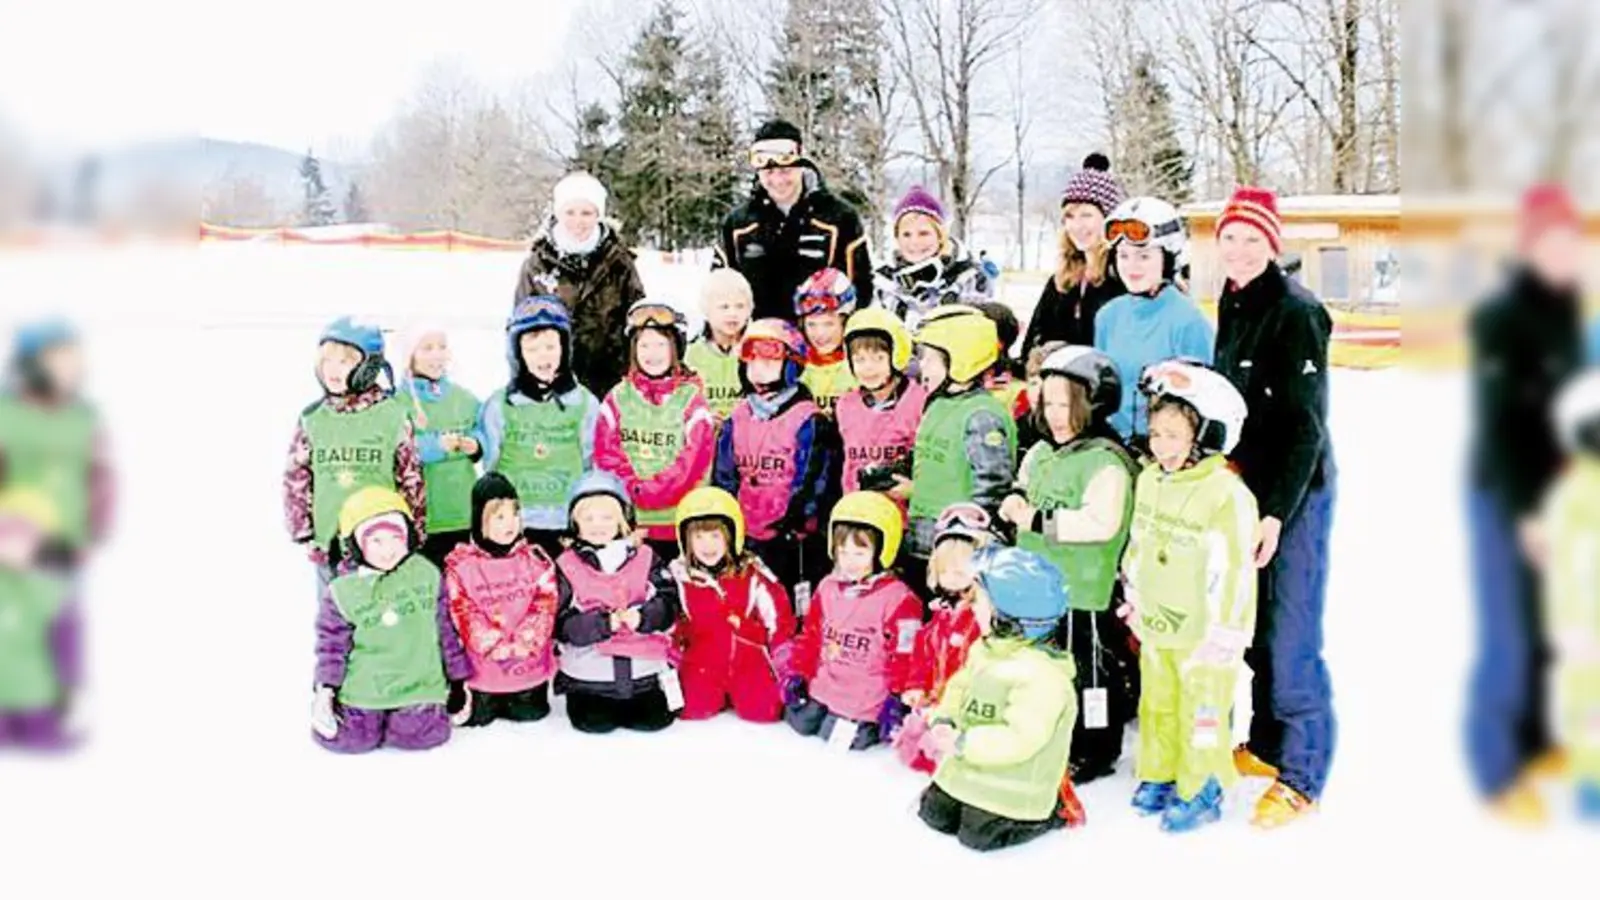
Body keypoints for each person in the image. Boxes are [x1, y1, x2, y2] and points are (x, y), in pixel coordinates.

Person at [1210, 186, 1338, 828]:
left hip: (1297, 492)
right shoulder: (1232, 299)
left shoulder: (1297, 311)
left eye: (1251, 240)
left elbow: (1305, 429)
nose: (1237, 249)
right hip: (1246, 486)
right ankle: (1266, 743)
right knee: (1254, 623)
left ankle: (1304, 772)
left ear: (1272, 245)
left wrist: (1274, 515)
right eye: (1229, 238)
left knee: (1291, 633)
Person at [1465, 183, 1587, 821]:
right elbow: (1500, 426)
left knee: (1548, 628)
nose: (1563, 252)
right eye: (1551, 241)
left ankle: (1539, 746)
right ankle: (1496, 768)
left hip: (1557, 494)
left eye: (1572, 241)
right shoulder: (1502, 318)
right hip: (1504, 493)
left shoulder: (1567, 308)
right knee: (1507, 636)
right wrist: (1526, 513)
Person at [1121, 360, 1258, 832]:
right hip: (1159, 622)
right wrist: (1133, 595)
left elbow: (1237, 569)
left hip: (1205, 633)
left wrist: (1226, 631)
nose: (1162, 446)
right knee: (1157, 702)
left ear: (1203, 436)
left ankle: (1202, 785)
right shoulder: (1149, 479)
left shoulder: (1226, 494)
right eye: (1156, 434)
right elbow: (1138, 544)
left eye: (1174, 436)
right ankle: (1160, 772)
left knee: (1201, 709)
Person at [1001, 346, 1141, 785]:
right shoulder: (1043, 451)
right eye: (1050, 403)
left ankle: (1097, 748)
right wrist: (1014, 500)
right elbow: (1023, 486)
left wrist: (1039, 520)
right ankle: (1056, 732)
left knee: (1089, 672)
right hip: (1041, 586)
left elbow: (1102, 522)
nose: (1057, 415)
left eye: (1068, 405)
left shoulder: (1106, 460)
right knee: (1048, 667)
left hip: (1085, 589)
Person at [914, 545, 1086, 851]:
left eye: (980, 600)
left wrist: (964, 743)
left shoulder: (1042, 678)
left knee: (978, 837)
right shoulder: (986, 649)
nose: (972, 606)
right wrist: (944, 718)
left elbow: (1021, 738)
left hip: (1014, 786)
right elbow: (959, 687)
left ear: (1009, 615)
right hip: (969, 766)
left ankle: (1051, 812)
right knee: (933, 813)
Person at [310, 487, 472, 753]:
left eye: (395, 538)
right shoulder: (343, 591)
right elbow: (332, 647)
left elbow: (446, 631)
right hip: (365, 688)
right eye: (376, 541)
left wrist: (458, 680)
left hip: (418, 685)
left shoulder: (426, 574)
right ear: (357, 545)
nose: (388, 550)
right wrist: (325, 689)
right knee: (353, 741)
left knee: (421, 736)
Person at [284, 317, 425, 594]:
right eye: (327, 361)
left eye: (345, 361)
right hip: (331, 545)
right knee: (335, 624)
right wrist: (302, 528)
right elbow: (297, 475)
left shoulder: (392, 415)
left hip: (383, 546)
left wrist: (415, 531)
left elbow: (410, 477)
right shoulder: (313, 419)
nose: (333, 370)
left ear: (367, 367)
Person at [781, 490, 922, 751]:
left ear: (881, 550)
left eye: (859, 553)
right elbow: (811, 635)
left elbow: (906, 652)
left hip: (865, 695)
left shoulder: (900, 600)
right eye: (842, 552)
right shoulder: (827, 587)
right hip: (826, 685)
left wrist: (897, 695)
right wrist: (800, 672)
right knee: (799, 724)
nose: (849, 562)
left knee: (838, 740)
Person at [553, 471, 684, 734]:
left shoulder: (647, 557)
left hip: (644, 674)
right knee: (593, 722)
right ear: (574, 523)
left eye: (606, 516)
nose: (597, 524)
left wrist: (645, 617)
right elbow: (559, 624)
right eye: (588, 518)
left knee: (653, 720)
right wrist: (603, 623)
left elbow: (670, 603)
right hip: (590, 677)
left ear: (623, 519)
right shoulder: (565, 566)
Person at [714, 318, 835, 593]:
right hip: (745, 536)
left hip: (792, 542)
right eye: (752, 362)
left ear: (790, 366)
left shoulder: (809, 420)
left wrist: (792, 525)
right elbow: (725, 476)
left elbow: (814, 483)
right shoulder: (738, 416)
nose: (758, 369)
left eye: (769, 362)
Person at [905, 305, 1017, 600]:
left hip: (956, 555)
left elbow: (992, 489)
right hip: (921, 539)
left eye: (929, 358)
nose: (922, 367)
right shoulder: (938, 404)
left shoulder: (982, 415)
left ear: (960, 360)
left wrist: (966, 544)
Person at [713, 119, 874, 322]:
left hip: (820, 343)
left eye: (786, 170)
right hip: (760, 344)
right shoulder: (738, 224)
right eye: (769, 172)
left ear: (801, 165)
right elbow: (719, 292)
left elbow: (861, 289)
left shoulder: (839, 218)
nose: (778, 181)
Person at [593, 300, 717, 562]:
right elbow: (606, 454)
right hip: (633, 526)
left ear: (676, 348)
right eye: (644, 345)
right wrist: (633, 488)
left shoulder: (692, 400)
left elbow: (693, 460)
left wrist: (654, 491)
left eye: (661, 344)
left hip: (681, 526)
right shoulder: (617, 398)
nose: (652, 353)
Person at [479, 296, 600, 556]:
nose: (543, 357)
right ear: (518, 354)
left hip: (566, 523)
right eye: (532, 350)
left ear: (564, 349)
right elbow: (490, 466)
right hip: (517, 526)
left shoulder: (584, 403)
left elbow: (593, 463)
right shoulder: (500, 404)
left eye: (550, 347)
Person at [442, 473, 565, 727]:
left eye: (514, 514)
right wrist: (495, 644)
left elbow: (545, 603)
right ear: (479, 519)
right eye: (499, 516)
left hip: (528, 670)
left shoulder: (536, 560)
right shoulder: (461, 565)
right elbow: (462, 610)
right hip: (483, 674)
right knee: (480, 718)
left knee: (531, 714)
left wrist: (524, 641)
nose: (509, 523)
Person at [1092, 196, 1215, 447]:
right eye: (1123, 256)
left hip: (1165, 453)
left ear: (1167, 259)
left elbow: (1203, 407)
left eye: (1143, 256)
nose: (1131, 266)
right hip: (1112, 446)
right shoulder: (1108, 316)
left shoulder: (1188, 321)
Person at [513, 171, 647, 395]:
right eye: (570, 212)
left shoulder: (619, 261)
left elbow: (636, 318)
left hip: (611, 378)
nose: (578, 221)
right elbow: (520, 327)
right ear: (558, 213)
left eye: (586, 213)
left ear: (598, 215)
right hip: (554, 379)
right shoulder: (538, 264)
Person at [0, 318, 114, 578]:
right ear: (32, 364)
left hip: (66, 556)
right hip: (13, 560)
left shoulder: (83, 419)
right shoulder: (6, 416)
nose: (71, 369)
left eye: (74, 359)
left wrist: (96, 526)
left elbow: (100, 476)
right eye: (59, 359)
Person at [671, 486, 796, 723]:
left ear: (732, 535)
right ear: (685, 540)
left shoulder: (752, 574)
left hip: (747, 657)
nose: (707, 546)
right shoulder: (679, 577)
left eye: (715, 536)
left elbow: (778, 620)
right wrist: (672, 658)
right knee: (691, 709)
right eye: (698, 537)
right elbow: (671, 625)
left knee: (765, 712)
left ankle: (744, 690)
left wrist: (784, 664)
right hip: (702, 661)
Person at [894, 502, 997, 774]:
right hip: (935, 699)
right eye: (945, 571)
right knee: (910, 748)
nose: (951, 579)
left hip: (966, 709)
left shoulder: (984, 620)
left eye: (961, 572)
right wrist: (916, 685)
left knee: (938, 757)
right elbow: (923, 652)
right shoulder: (941, 613)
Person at [1543, 369, 1600, 821]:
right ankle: (1590, 791)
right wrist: (1571, 625)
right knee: (1587, 706)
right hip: (1585, 623)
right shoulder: (1578, 495)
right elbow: (1564, 564)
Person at [1020, 154, 1127, 359]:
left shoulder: (1121, 276)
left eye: (1087, 215)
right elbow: (1035, 339)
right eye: (1069, 216)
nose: (1076, 226)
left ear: (1108, 220)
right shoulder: (1062, 279)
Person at [396, 323, 485, 568]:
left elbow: (485, 428)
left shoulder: (463, 397)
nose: (437, 355)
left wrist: (476, 444)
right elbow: (395, 448)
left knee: (460, 584)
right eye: (427, 348)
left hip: (461, 513)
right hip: (420, 517)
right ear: (409, 355)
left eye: (442, 347)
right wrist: (435, 446)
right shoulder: (398, 402)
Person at [0, 488, 77, 750]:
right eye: (5, 527)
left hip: (36, 699)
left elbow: (66, 643)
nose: (10, 537)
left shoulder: (52, 589)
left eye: (23, 531)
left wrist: (69, 683)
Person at [835, 308, 926, 517]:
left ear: (896, 355)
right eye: (859, 360)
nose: (868, 368)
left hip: (904, 516)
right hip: (857, 513)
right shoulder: (846, 405)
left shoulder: (919, 400)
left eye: (878, 358)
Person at [873, 186, 991, 333]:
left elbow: (978, 331)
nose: (915, 242)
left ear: (940, 235)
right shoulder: (883, 282)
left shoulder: (969, 277)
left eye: (924, 233)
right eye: (906, 234)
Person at [686, 269, 756, 430]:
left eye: (740, 306)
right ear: (706, 310)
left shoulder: (757, 352)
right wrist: (702, 417)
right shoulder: (691, 356)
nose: (732, 313)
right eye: (724, 307)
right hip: (704, 440)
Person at [795, 267, 860, 416]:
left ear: (845, 322)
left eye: (829, 324)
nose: (820, 334)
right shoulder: (796, 366)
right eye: (811, 324)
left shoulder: (859, 366)